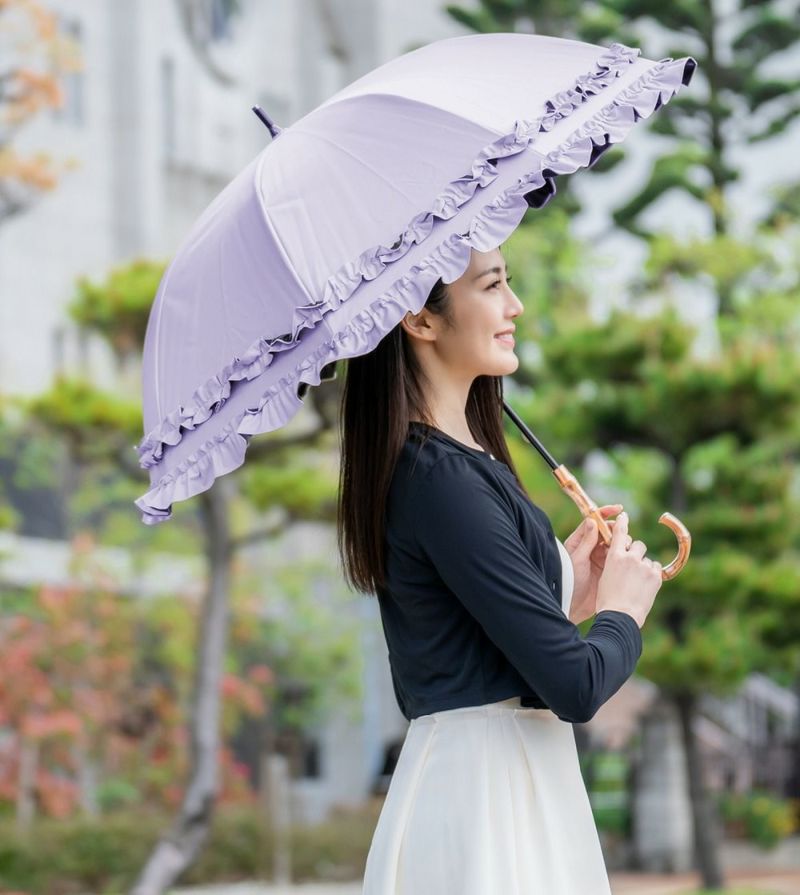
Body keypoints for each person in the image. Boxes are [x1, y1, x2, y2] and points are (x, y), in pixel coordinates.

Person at [337, 243, 664, 894]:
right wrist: (623, 612)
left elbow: (475, 644)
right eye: (491, 286)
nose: (514, 305)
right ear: (420, 319)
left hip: (503, 780)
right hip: (484, 797)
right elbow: (574, 685)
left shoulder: (460, 464)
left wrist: (563, 588)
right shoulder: (439, 478)